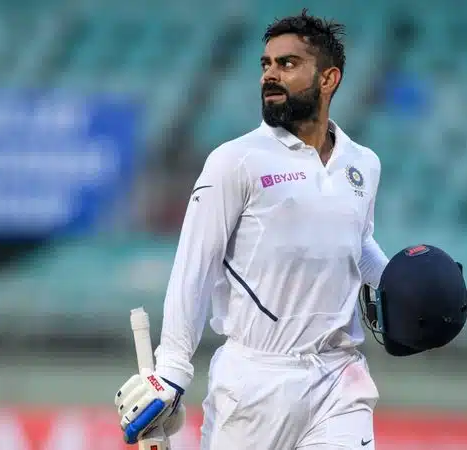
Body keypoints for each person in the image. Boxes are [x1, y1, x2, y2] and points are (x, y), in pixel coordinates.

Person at [115, 9, 390, 449]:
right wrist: (171, 371)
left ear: (328, 78)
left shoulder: (363, 164)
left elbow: (355, 241)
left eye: (288, 64)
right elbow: (194, 266)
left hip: (339, 377)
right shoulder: (235, 161)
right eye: (266, 64)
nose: (270, 75)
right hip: (254, 384)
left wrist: (399, 279)